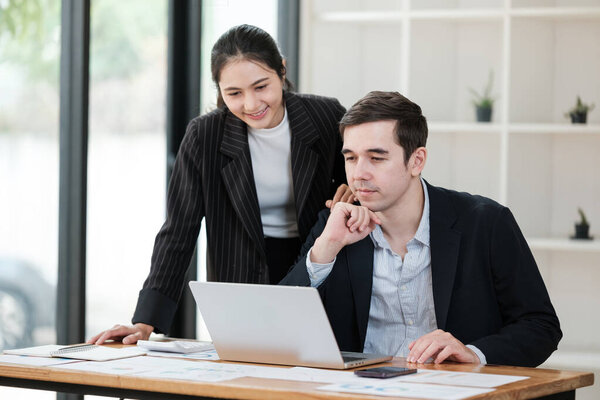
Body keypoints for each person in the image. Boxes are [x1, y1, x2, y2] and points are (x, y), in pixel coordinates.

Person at [89, 24, 353, 345]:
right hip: (240, 273)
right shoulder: (204, 136)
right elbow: (179, 230)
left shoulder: (325, 116)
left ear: (281, 71)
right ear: (220, 89)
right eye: (235, 93)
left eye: (261, 86)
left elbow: (361, 175)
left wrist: (354, 192)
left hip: (315, 263)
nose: (252, 104)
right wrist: (145, 322)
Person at [280, 91, 562, 367]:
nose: (358, 173)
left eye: (376, 158)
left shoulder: (486, 222)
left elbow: (541, 326)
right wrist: (326, 249)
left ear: (417, 161)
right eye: (351, 157)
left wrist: (474, 353)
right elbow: (279, 325)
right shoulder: (333, 226)